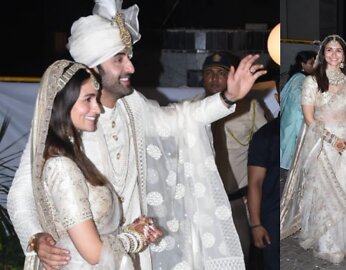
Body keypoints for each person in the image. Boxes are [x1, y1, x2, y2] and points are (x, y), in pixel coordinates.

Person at [7, 0, 266, 269]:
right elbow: (21, 194)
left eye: (128, 58)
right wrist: (36, 239)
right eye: (119, 59)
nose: (130, 68)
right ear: (93, 68)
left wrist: (227, 97)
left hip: (132, 257)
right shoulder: (62, 124)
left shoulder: (132, 106)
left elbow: (181, 119)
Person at [20, 59, 161, 269]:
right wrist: (136, 237)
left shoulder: (72, 157)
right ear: (63, 103)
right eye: (88, 99)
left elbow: (93, 233)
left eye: (96, 99)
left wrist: (131, 229)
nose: (97, 108)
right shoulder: (61, 166)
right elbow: (94, 253)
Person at [280, 34, 346, 264]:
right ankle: (328, 244)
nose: (334, 54)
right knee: (325, 194)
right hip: (321, 143)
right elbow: (309, 119)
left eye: (339, 50)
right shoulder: (312, 81)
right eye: (329, 50)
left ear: (344, 55)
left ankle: (344, 242)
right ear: (322, 53)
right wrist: (331, 139)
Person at [200, 51, 269, 265]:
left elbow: (265, 154)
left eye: (220, 73)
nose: (214, 79)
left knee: (240, 258)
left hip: (238, 201)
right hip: (203, 203)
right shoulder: (192, 110)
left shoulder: (251, 108)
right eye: (209, 73)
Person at [247, 116, 280, 270]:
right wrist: (256, 224)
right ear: (277, 97)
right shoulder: (266, 135)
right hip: (274, 215)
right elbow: (255, 182)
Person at [279, 50, 316, 171]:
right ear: (302, 64)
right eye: (311, 62)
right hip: (295, 119)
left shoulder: (303, 77)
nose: (315, 65)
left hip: (297, 118)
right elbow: (299, 99)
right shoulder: (299, 78)